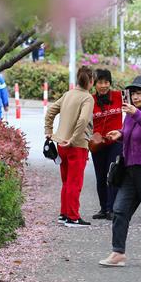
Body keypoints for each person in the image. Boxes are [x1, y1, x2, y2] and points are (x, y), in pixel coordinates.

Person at [99, 75, 141, 268]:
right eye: (133, 93)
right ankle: (118, 253)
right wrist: (120, 133)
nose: (135, 97)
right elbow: (132, 133)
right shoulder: (130, 114)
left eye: (139, 93)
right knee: (119, 211)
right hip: (129, 170)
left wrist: (135, 112)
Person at [44, 66, 95, 227]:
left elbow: (51, 110)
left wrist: (49, 131)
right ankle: (73, 217)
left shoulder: (68, 94)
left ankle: (64, 214)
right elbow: (83, 120)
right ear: (91, 81)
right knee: (75, 182)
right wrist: (73, 139)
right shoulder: (87, 98)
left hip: (61, 144)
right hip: (77, 145)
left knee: (66, 181)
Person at [89, 69, 123, 220]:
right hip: (97, 143)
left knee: (113, 173)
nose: (103, 86)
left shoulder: (118, 96)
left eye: (106, 82)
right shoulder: (90, 100)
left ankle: (113, 208)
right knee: (100, 176)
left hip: (116, 142)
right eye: (100, 83)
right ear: (94, 84)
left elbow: (134, 106)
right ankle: (104, 208)